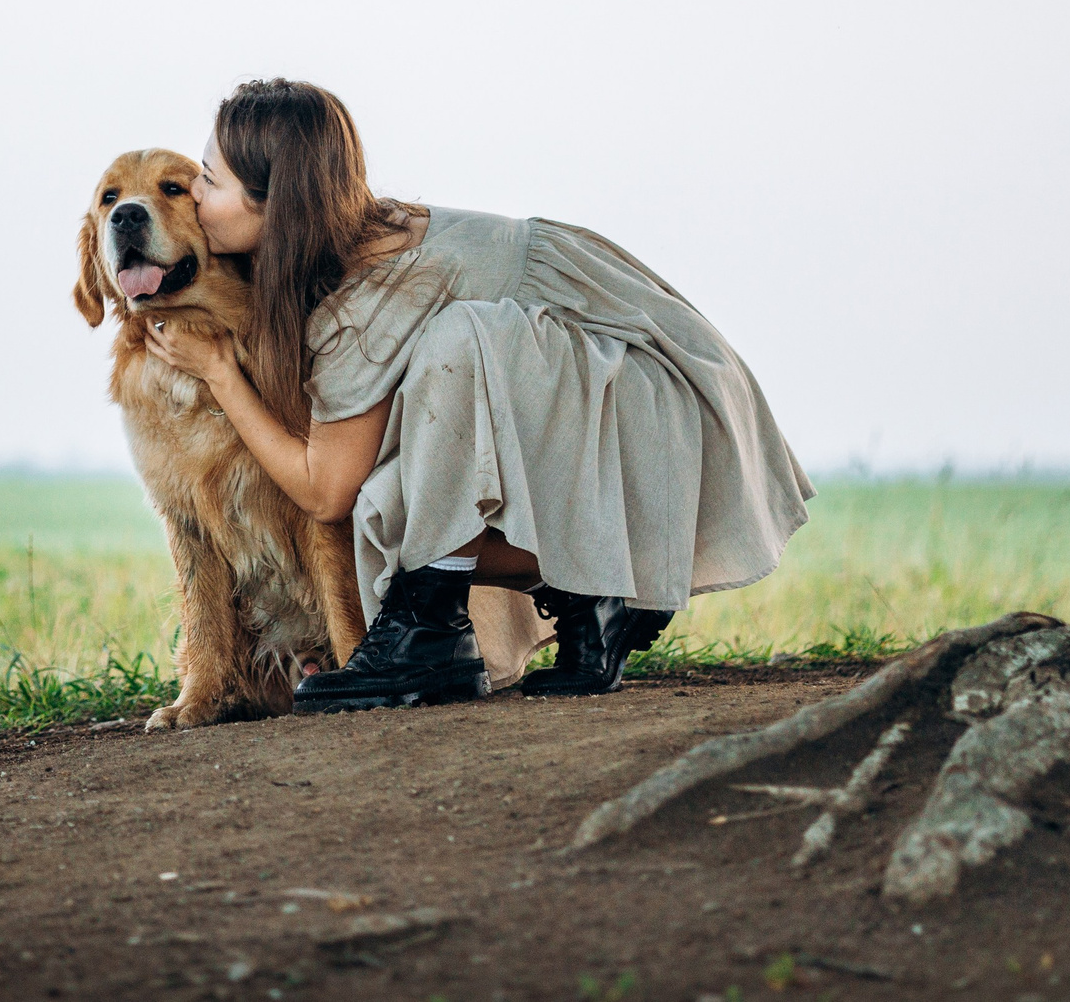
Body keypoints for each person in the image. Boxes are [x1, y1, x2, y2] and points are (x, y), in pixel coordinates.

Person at [144, 78, 814, 711]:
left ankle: (429, 636)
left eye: (209, 179)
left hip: (649, 404)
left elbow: (324, 493)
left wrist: (221, 373)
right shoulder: (366, 235)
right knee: (393, 499)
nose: (195, 195)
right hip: (603, 414)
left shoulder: (367, 301)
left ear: (274, 204)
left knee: (443, 363)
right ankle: (595, 593)